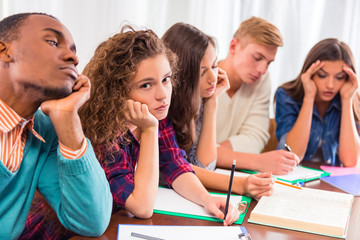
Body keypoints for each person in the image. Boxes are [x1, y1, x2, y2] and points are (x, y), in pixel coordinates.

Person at [79, 25, 240, 225]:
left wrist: (206, 199)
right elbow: (142, 207)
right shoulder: (105, 135)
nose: (162, 94)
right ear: (118, 90)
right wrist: (149, 129)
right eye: (146, 85)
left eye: (165, 79)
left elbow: (175, 165)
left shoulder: (155, 114)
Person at [0, 12, 112, 239]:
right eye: (53, 42)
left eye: (74, 50)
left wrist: (68, 117)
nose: (74, 58)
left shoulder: (43, 130)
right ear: (4, 51)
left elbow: (91, 220)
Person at [162, 22, 274, 199]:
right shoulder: (161, 107)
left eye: (214, 66)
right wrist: (239, 184)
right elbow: (174, 167)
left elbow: (204, 165)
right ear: (181, 74)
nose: (213, 78)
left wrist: (212, 101)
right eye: (203, 71)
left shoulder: (196, 100)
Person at [215, 16, 299, 175]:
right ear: (234, 46)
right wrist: (257, 161)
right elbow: (192, 151)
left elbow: (256, 138)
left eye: (268, 62)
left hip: (231, 173)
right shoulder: (204, 78)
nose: (262, 69)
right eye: (257, 58)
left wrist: (214, 153)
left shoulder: (262, 80)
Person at [275, 38, 360, 166]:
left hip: (329, 181)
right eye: (322, 75)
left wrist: (347, 100)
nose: (330, 85)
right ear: (310, 72)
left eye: (339, 77)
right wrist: (309, 97)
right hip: (292, 176)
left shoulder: (351, 98)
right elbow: (293, 154)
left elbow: (350, 161)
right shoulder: (286, 95)